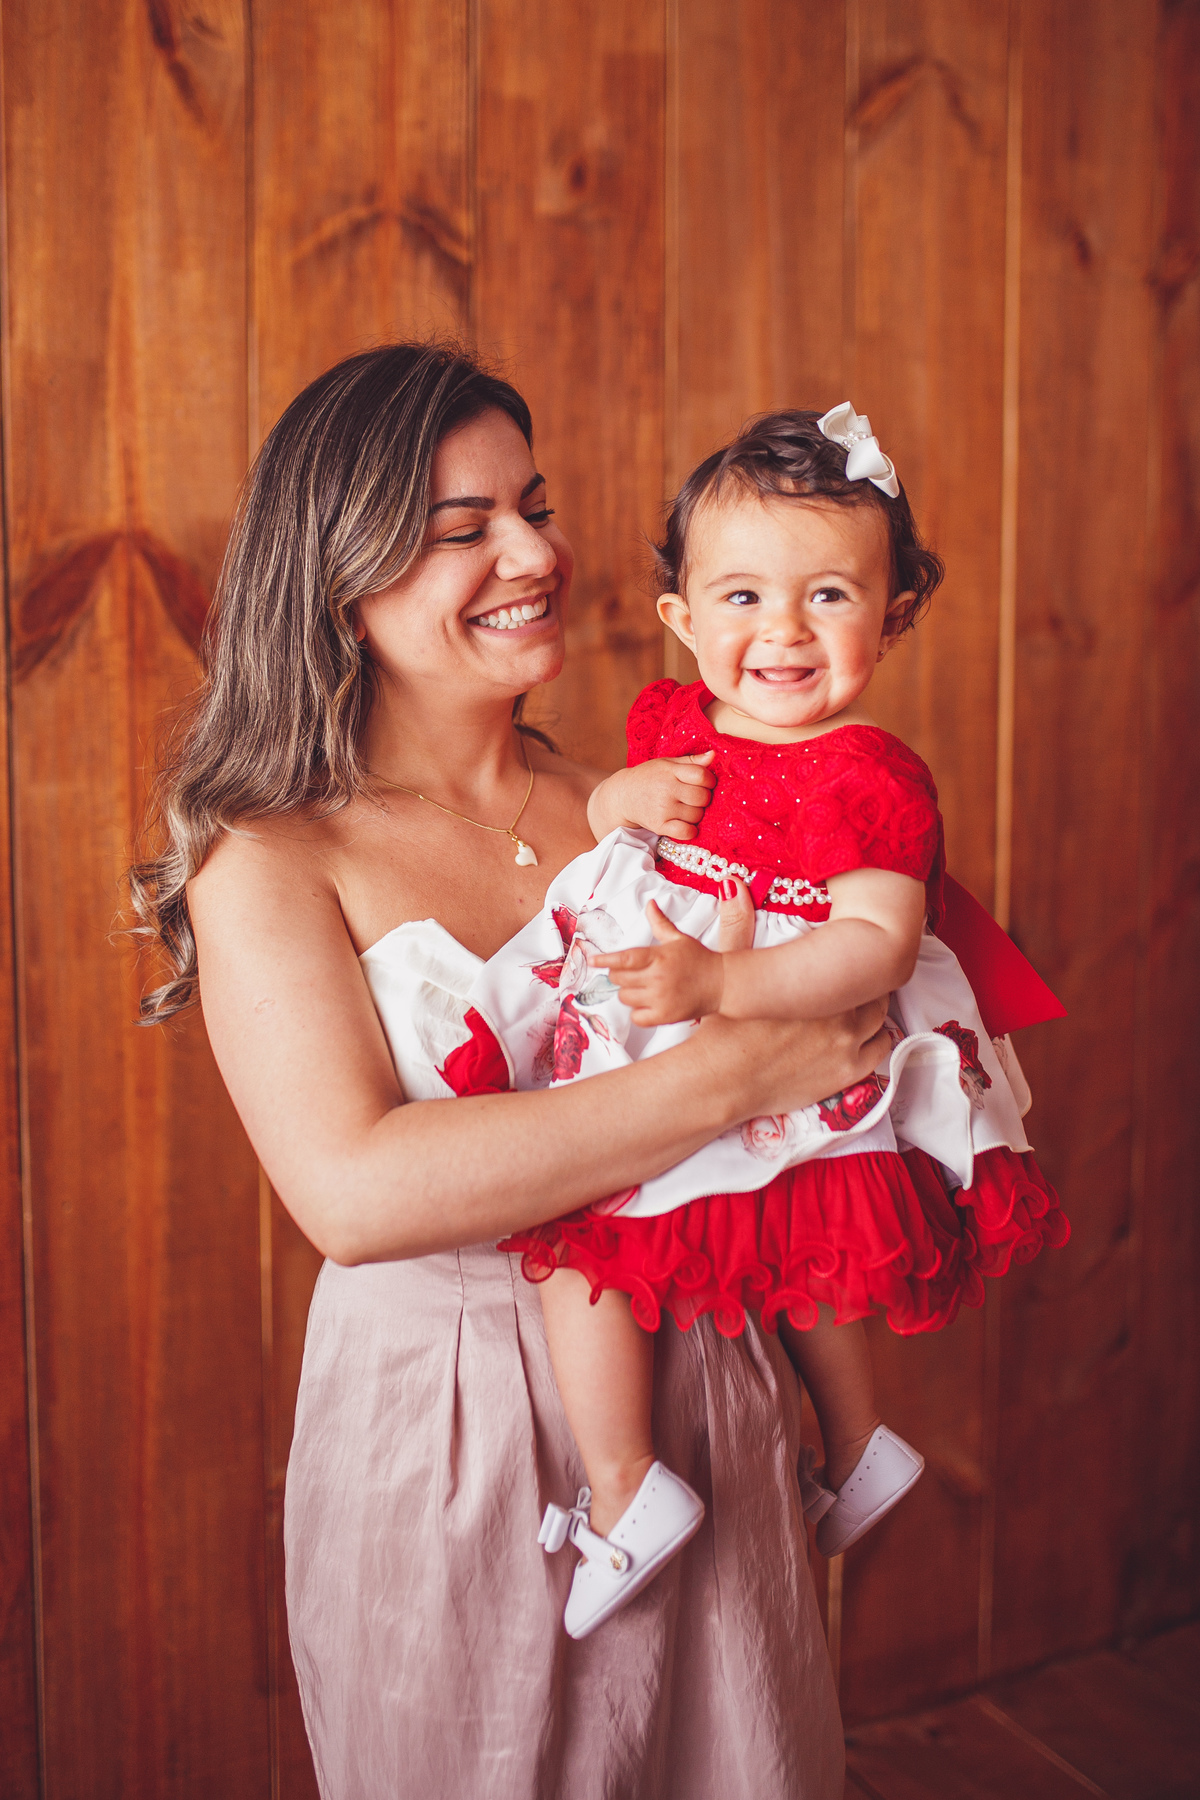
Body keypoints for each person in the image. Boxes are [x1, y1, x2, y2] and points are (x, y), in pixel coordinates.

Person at [130, 345, 891, 1799]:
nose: (535, 553)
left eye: (530, 507)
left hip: (699, 1367)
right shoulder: (276, 856)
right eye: (463, 530)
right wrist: (734, 1077)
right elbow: (353, 1191)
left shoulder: (633, 803)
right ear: (338, 577)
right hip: (448, 1423)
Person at [488, 407, 1070, 1639]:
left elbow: (873, 946)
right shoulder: (674, 724)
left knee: (601, 1239)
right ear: (685, 619)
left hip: (769, 1014)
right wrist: (615, 797)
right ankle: (854, 1452)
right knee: (792, 1253)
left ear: (893, 615)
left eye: (827, 597)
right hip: (675, 1023)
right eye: (743, 597)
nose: (782, 631)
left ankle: (629, 1485)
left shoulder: (866, 773)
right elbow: (629, 827)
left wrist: (715, 990)